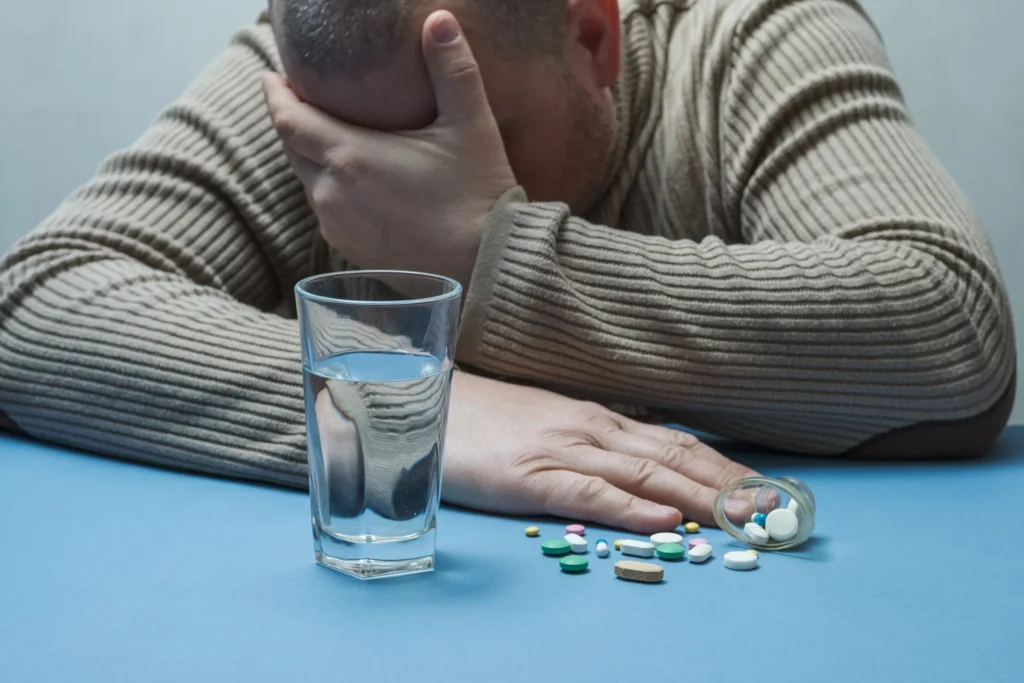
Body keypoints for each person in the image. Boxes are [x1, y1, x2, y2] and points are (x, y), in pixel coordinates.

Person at [0, 0, 1015, 532]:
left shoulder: (753, 37)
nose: (383, 187)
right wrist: (409, 408)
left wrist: (492, 251)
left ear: (592, 36)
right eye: (356, 155)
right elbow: (35, 303)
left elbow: (948, 329)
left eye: (476, 131)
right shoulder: (306, 91)